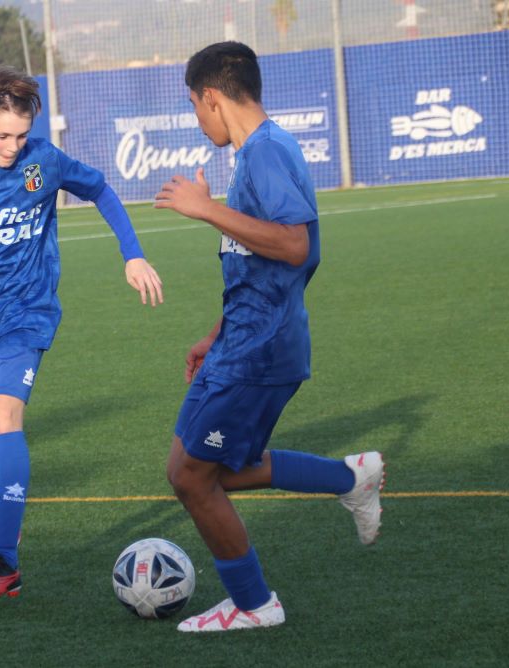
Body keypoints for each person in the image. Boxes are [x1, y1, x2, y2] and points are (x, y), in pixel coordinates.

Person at [0, 66, 163, 600]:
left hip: (26, 313)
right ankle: (2, 492)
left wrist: (132, 253)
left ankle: (4, 563)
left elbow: (100, 189)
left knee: (5, 419)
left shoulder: (43, 160)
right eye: (2, 135)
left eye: (21, 135)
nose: (13, 147)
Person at [154, 41, 384, 633]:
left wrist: (206, 210)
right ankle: (350, 478)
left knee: (192, 477)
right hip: (240, 342)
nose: (196, 118)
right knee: (197, 468)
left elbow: (295, 246)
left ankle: (254, 604)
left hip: (259, 352)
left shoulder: (266, 152)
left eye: (193, 105)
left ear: (211, 97)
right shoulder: (256, 152)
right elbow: (260, 266)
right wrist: (216, 333)